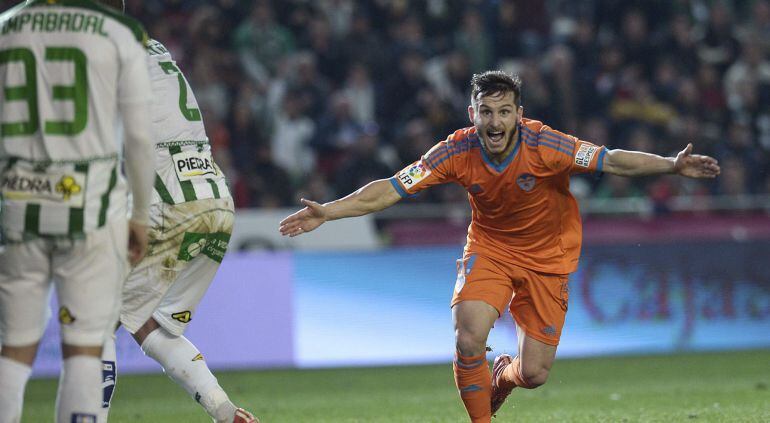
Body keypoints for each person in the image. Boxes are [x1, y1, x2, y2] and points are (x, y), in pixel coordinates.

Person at [279, 71, 720, 423]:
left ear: (518, 113)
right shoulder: (456, 149)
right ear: (472, 113)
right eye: (486, 112)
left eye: (504, 112)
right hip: (490, 248)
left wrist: (670, 165)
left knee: (535, 374)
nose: (494, 122)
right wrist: (328, 212)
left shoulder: (546, 143)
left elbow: (611, 159)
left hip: (549, 256)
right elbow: (394, 188)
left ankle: (502, 377)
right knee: (468, 335)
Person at [97, 18, 259, 423]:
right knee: (151, 325)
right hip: (215, 201)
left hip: (167, 201)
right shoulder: (155, 50)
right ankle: (224, 411)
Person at [0, 0, 155, 421]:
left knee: (13, 350)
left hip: (18, 208)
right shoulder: (119, 31)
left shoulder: (6, 27)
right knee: (85, 346)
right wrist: (138, 217)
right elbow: (139, 140)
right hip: (92, 211)